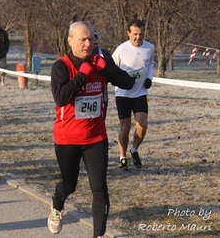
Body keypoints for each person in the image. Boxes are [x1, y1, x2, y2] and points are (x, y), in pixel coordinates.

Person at [48, 21, 135, 237]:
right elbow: (61, 97)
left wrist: (107, 70)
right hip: (67, 138)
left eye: (91, 39)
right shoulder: (62, 65)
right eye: (83, 40)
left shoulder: (102, 59)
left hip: (96, 137)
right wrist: (83, 74)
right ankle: (57, 204)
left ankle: (98, 234)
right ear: (70, 41)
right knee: (69, 186)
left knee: (99, 187)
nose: (88, 44)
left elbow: (128, 83)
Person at [112, 19, 155, 170]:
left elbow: (150, 65)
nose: (138, 37)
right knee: (125, 127)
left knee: (142, 126)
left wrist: (149, 78)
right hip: (123, 94)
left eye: (141, 34)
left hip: (140, 92)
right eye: (135, 34)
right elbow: (112, 68)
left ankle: (134, 149)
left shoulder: (150, 48)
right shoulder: (121, 50)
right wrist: (121, 80)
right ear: (128, 33)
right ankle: (122, 157)